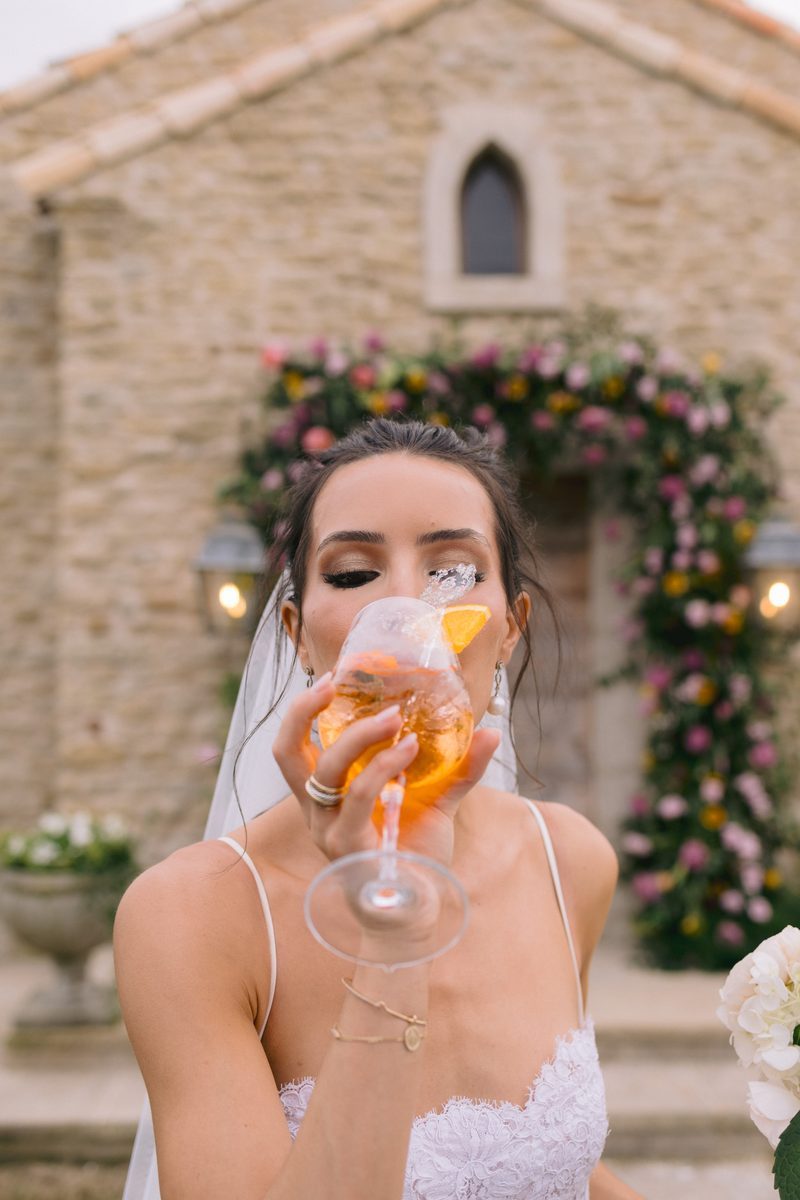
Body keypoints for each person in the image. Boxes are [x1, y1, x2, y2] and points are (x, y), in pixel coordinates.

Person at [115, 418, 642, 1200]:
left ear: (510, 630)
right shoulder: (191, 916)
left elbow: (544, 1166)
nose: (404, 607)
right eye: (355, 574)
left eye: (453, 572)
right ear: (296, 635)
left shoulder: (572, 861)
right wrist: (392, 937)